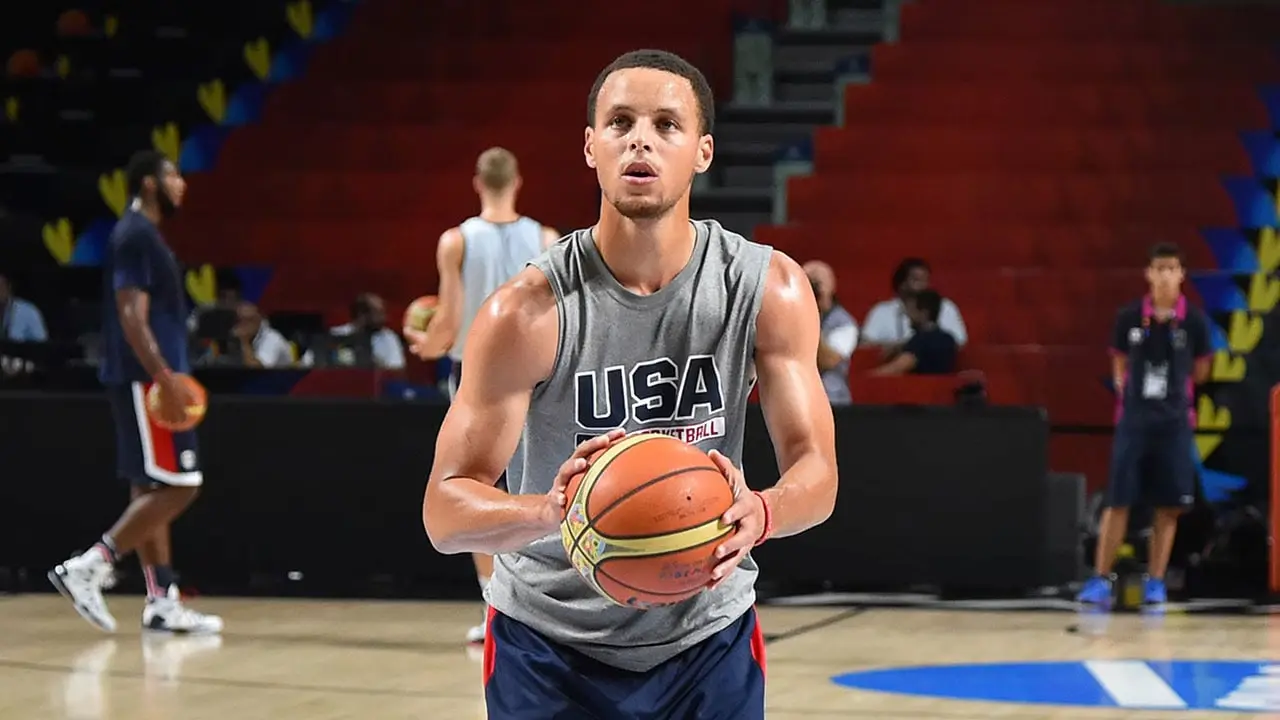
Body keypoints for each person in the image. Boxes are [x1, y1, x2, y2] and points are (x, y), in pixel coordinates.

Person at [422, 49, 839, 719]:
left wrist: (760, 512)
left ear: (703, 151)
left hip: (706, 634)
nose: (640, 138)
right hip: (548, 642)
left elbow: (818, 475)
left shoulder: (766, 288)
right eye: (619, 121)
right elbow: (445, 514)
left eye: (667, 124)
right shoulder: (526, 312)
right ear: (591, 147)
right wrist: (550, 511)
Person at [48, 150, 223, 634]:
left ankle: (160, 600)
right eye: (173, 176)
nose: (182, 184)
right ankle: (90, 564)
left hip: (140, 376)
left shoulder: (141, 235)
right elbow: (130, 315)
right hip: (147, 379)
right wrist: (165, 378)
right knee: (182, 485)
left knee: (149, 489)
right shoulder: (136, 236)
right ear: (149, 183)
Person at [404, 147, 559, 644]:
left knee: (476, 484)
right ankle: (545, 600)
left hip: (475, 374)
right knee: (535, 482)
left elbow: (448, 322)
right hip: (536, 374)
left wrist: (427, 343)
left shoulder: (455, 241)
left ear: (477, 183)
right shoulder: (546, 239)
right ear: (517, 181)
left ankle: (493, 606)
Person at [1077, 242, 1211, 609]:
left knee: (1168, 506)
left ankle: (1156, 583)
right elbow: (1118, 363)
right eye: (1159, 268)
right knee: (1118, 501)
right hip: (1134, 422)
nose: (1166, 275)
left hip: (1174, 424)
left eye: (1172, 268)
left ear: (1182, 274)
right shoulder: (1129, 317)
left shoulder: (1195, 321)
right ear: (1148, 274)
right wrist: (1128, 393)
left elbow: (1201, 370)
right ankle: (1099, 581)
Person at [861, 257, 967, 351]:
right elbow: (866, 345)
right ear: (901, 283)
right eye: (916, 280)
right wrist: (902, 346)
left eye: (925, 280)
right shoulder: (881, 311)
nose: (923, 284)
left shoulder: (946, 307)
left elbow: (959, 343)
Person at [803, 260, 857, 404]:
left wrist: (812, 315)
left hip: (832, 398)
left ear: (831, 286)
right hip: (798, 396)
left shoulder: (844, 323)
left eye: (817, 283)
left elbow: (828, 361)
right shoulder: (789, 315)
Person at [871, 289, 958, 376]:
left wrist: (864, 377)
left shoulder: (919, 341)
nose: (908, 315)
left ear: (924, 313)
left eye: (913, 311)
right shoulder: (949, 339)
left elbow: (896, 368)